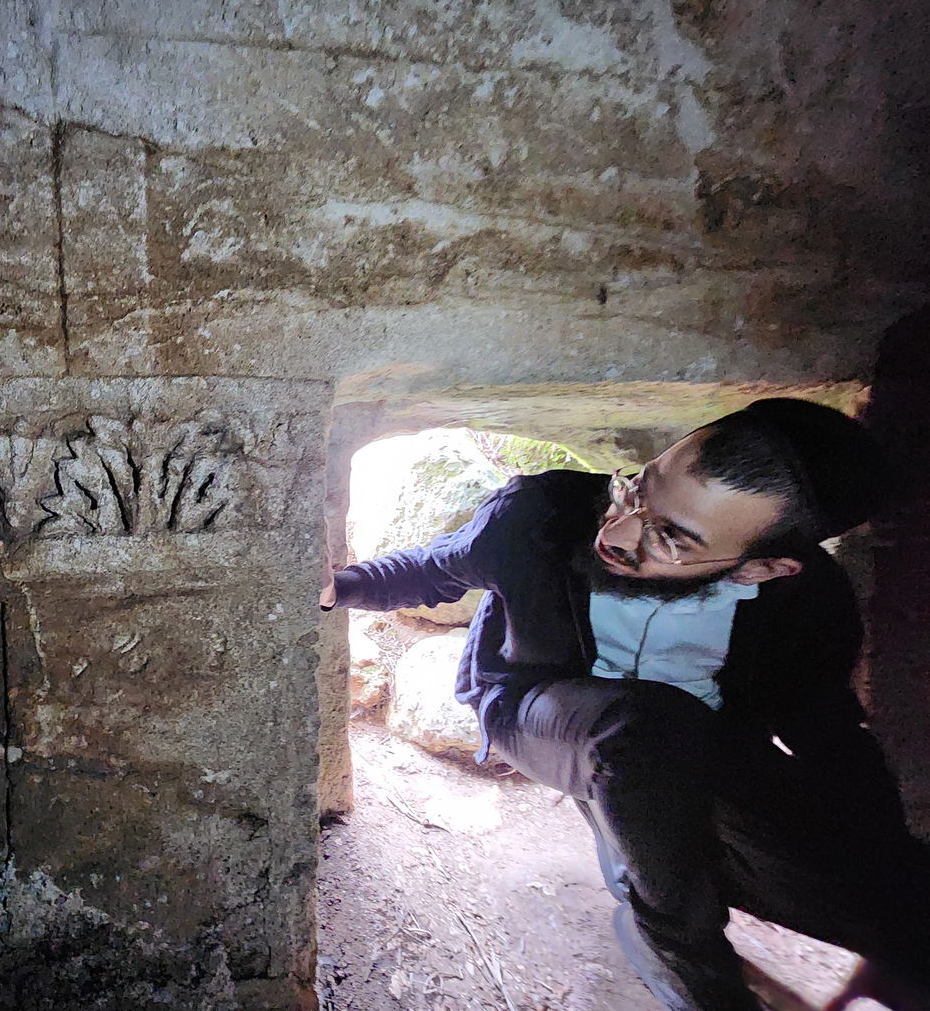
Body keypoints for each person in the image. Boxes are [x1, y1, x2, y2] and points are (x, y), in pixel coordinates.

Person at [320, 399, 930, 1011]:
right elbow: (435, 571)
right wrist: (336, 588)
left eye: (670, 538)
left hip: (707, 740)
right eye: (633, 489)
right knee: (650, 730)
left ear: (764, 568)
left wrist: (879, 850)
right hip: (543, 711)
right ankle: (682, 949)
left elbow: (826, 727)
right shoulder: (543, 514)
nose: (616, 533)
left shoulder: (809, 603)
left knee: (891, 893)